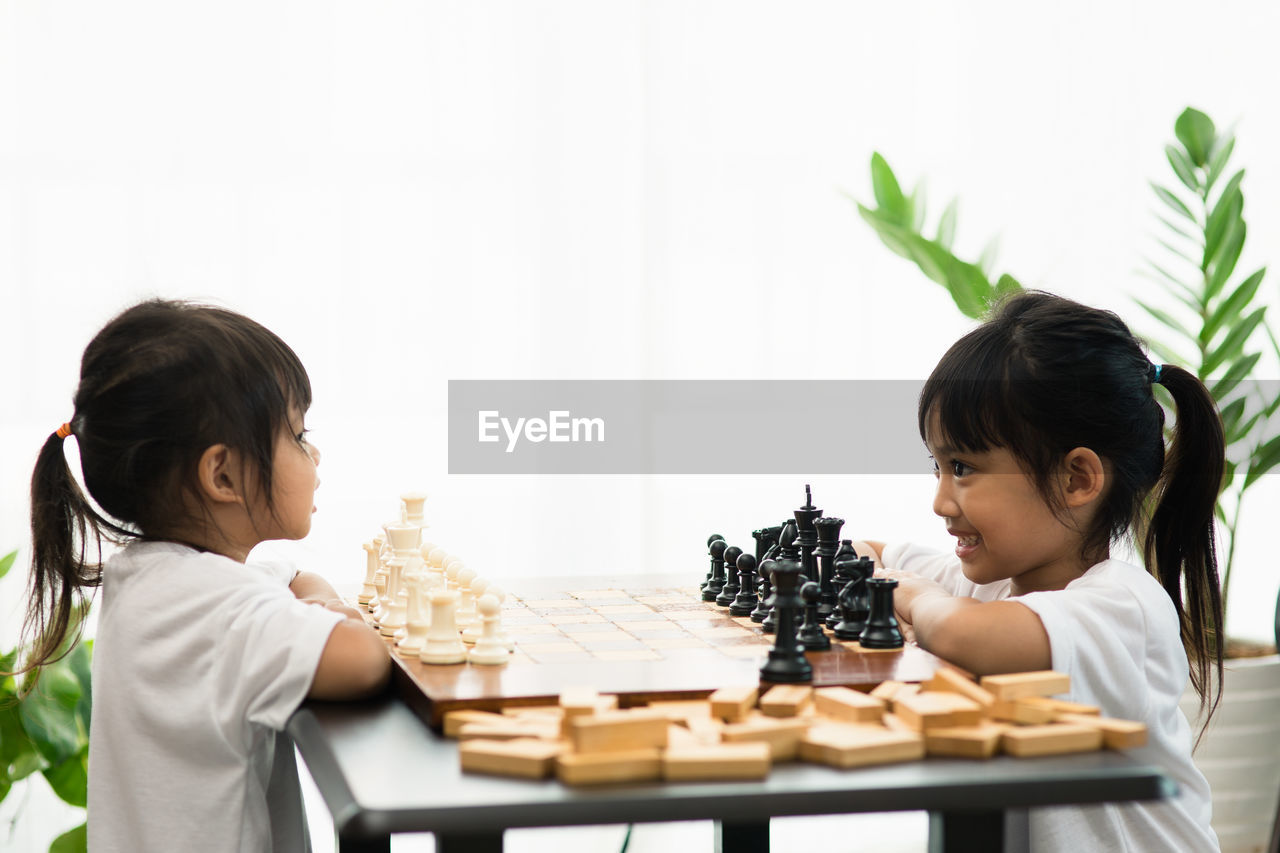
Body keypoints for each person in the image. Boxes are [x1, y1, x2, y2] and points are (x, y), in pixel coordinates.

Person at [852, 290, 1222, 851]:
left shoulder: (1123, 606)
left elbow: (958, 631)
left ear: (1076, 479)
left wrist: (899, 590)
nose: (941, 502)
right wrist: (880, 574)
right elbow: (868, 548)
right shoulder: (994, 582)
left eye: (963, 468)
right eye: (937, 467)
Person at [18, 300, 391, 852]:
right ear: (223, 474)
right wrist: (332, 614)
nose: (314, 452)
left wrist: (314, 603)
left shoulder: (158, 581)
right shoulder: (208, 609)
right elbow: (364, 660)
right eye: (297, 433)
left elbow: (290, 578)